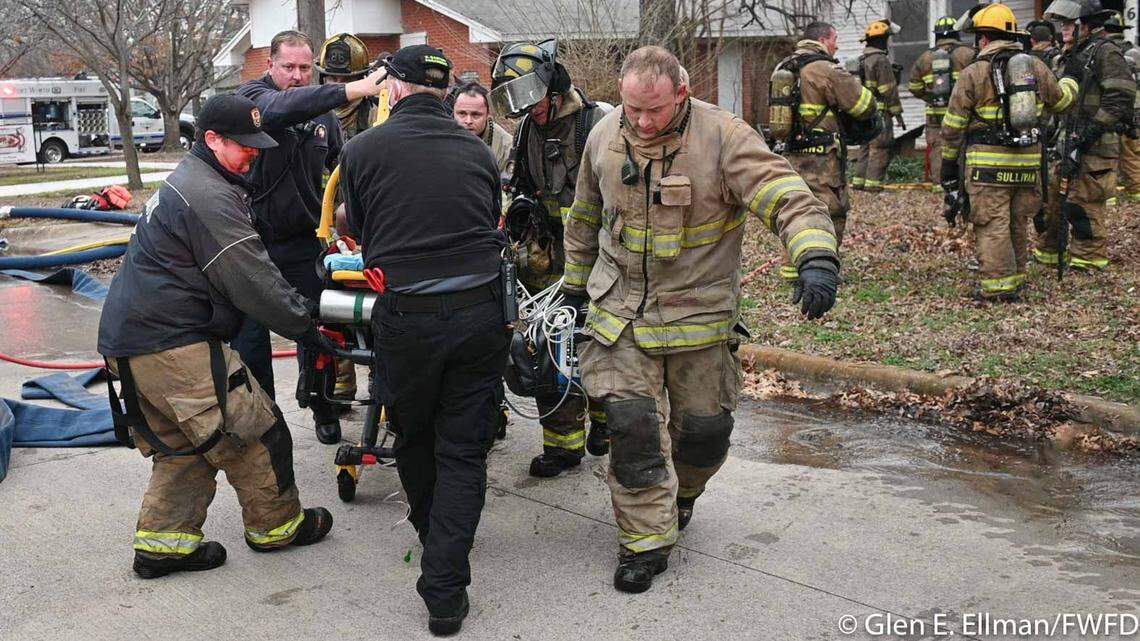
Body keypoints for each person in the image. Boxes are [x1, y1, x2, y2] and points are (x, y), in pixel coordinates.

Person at [562, 45, 841, 593]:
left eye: (655, 110)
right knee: (633, 430)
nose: (641, 122)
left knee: (705, 435)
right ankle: (644, 544)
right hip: (620, 315)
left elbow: (787, 196)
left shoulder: (724, 137)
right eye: (632, 109)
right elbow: (585, 217)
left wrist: (815, 256)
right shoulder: (604, 134)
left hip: (700, 318)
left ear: (681, 93)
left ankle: (683, 493)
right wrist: (573, 289)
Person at [97, 94, 337, 579]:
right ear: (211, 140)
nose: (254, 152)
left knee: (185, 444)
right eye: (244, 145)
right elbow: (251, 277)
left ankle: (164, 546)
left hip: (130, 342)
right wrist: (309, 326)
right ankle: (278, 528)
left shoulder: (191, 182)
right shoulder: (208, 195)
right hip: (172, 344)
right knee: (254, 431)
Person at [340, 44, 508, 636]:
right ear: (441, 94)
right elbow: (490, 219)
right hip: (480, 316)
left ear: (395, 90)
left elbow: (354, 229)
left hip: (408, 319)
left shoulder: (362, 150)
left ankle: (437, 548)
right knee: (463, 449)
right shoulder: (478, 151)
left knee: (413, 435)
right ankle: (445, 586)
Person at [235, 30, 386, 444]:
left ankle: (322, 406)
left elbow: (343, 169)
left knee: (318, 328)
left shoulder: (323, 117)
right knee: (250, 341)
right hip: (253, 245)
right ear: (270, 66)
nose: (298, 76)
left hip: (305, 243)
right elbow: (279, 108)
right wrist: (351, 88)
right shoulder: (251, 100)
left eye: (305, 68)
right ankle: (262, 422)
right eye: (289, 67)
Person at [490, 39, 611, 478]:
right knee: (548, 347)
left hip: (599, 258)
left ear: (553, 87)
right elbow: (522, 184)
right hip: (548, 257)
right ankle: (562, 446)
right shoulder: (526, 129)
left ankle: (604, 423)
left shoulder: (598, 123)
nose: (529, 112)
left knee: (596, 344)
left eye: (533, 101)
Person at [939, 3, 1077, 301]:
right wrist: (1071, 82)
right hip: (1028, 164)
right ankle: (1016, 278)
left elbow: (953, 127)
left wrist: (948, 165)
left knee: (992, 223)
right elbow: (1062, 102)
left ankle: (998, 287)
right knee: (1017, 221)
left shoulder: (973, 73)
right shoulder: (1035, 67)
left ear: (985, 39)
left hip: (987, 167)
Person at [773, 20, 877, 287]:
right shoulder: (825, 69)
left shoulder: (783, 68)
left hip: (792, 155)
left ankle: (791, 267)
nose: (837, 44)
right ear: (823, 40)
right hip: (822, 158)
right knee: (831, 210)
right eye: (834, 39)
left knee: (795, 208)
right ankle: (822, 268)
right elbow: (864, 105)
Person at [1035, 0, 1136, 272]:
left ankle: (1087, 261)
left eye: (1069, 23)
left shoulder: (1105, 53)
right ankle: (1048, 253)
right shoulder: (1070, 55)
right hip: (1066, 143)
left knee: (1084, 205)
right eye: (1063, 23)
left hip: (1095, 146)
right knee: (1054, 200)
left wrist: (1091, 131)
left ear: (1087, 25)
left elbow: (1122, 96)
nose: (1063, 28)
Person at [318, 32, 380, 405]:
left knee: (373, 303)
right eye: (332, 80)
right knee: (330, 304)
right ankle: (340, 384)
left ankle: (377, 375)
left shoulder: (379, 115)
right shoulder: (311, 116)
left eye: (347, 80)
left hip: (368, 226)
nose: (340, 88)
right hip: (324, 226)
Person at [908, 15, 976, 192]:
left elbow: (914, 86)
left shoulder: (925, 58)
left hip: (935, 114)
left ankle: (939, 186)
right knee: (963, 144)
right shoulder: (968, 54)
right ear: (956, 33)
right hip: (961, 112)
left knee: (938, 146)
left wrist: (930, 97)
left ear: (937, 35)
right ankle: (963, 183)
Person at [851, 19, 904, 192]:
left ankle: (859, 184)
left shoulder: (861, 60)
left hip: (862, 113)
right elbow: (888, 90)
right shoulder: (880, 60)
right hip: (879, 112)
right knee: (880, 148)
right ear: (882, 40)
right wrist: (897, 114)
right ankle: (874, 188)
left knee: (865, 147)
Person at [1105, 12, 1140, 203]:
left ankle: (1109, 197)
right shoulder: (1133, 51)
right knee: (1132, 153)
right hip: (1133, 111)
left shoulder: (1103, 51)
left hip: (1110, 109)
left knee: (1107, 153)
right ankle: (1136, 192)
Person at [452, 81, 512, 172]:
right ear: (453, 112)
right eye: (462, 114)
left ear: (488, 114)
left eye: (476, 115)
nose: (468, 121)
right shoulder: (440, 137)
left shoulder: (506, 147)